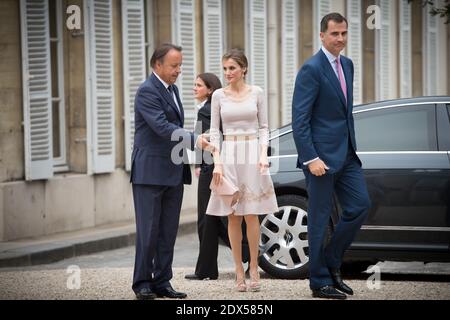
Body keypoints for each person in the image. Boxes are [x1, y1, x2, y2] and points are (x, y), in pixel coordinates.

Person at [292, 13, 371, 299]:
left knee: (360, 205)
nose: (340, 39)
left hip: (347, 154)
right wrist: (310, 157)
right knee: (319, 218)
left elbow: (342, 113)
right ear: (322, 36)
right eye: (335, 34)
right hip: (320, 160)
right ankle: (319, 281)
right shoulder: (311, 69)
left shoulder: (348, 65)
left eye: (344, 33)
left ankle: (331, 260)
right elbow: (299, 119)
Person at [130, 43, 211, 300]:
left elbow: (172, 126)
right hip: (149, 173)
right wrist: (195, 139)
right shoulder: (146, 91)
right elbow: (162, 127)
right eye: (174, 66)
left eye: (180, 65)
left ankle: (163, 281)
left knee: (167, 232)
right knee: (148, 232)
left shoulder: (173, 89)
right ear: (157, 65)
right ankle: (142, 282)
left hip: (173, 171)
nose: (178, 71)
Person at [206, 49, 278, 292]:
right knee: (233, 214)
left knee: (252, 214)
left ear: (244, 68)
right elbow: (215, 131)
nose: (227, 73)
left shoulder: (257, 92)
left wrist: (262, 155)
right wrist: (217, 161)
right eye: (225, 68)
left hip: (252, 155)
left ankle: (254, 267)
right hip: (229, 156)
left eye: (232, 68)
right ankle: (238, 271)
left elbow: (265, 127)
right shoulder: (218, 95)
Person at [185, 73, 250, 281]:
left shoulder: (206, 110)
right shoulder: (218, 105)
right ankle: (246, 256)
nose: (194, 88)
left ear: (210, 89)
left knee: (207, 219)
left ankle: (206, 270)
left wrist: (203, 166)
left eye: (198, 85)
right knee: (218, 218)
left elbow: (209, 140)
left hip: (212, 167)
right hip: (221, 165)